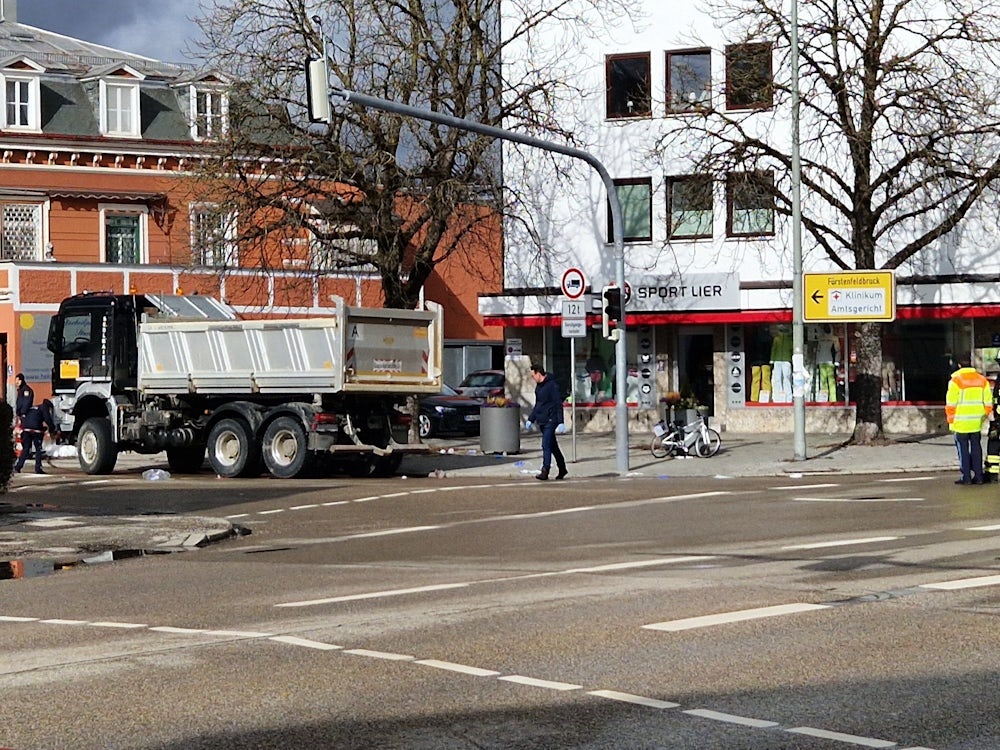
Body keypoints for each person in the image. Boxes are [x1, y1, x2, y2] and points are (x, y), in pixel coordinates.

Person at [945, 359, 993, 485]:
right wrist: (984, 415)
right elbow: (988, 401)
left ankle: (966, 477)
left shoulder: (956, 381)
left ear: (959, 366)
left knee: (963, 449)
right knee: (976, 448)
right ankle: (979, 476)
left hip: (960, 422)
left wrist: (950, 420)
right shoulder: (982, 380)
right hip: (976, 421)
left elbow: (951, 404)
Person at [525, 364, 567, 481]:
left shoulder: (552, 386)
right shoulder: (539, 387)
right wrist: (531, 419)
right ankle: (562, 468)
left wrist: (560, 421)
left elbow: (558, 404)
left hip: (550, 419)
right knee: (553, 446)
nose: (532, 378)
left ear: (539, 373)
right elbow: (538, 405)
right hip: (542, 420)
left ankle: (545, 470)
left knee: (545, 445)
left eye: (533, 375)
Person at [15, 398, 58, 475]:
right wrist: (52, 428)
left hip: (26, 430)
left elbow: (26, 418)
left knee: (26, 449)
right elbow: (48, 419)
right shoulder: (44, 408)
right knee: (38, 449)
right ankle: (38, 468)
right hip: (36, 431)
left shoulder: (33, 408)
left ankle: (18, 466)